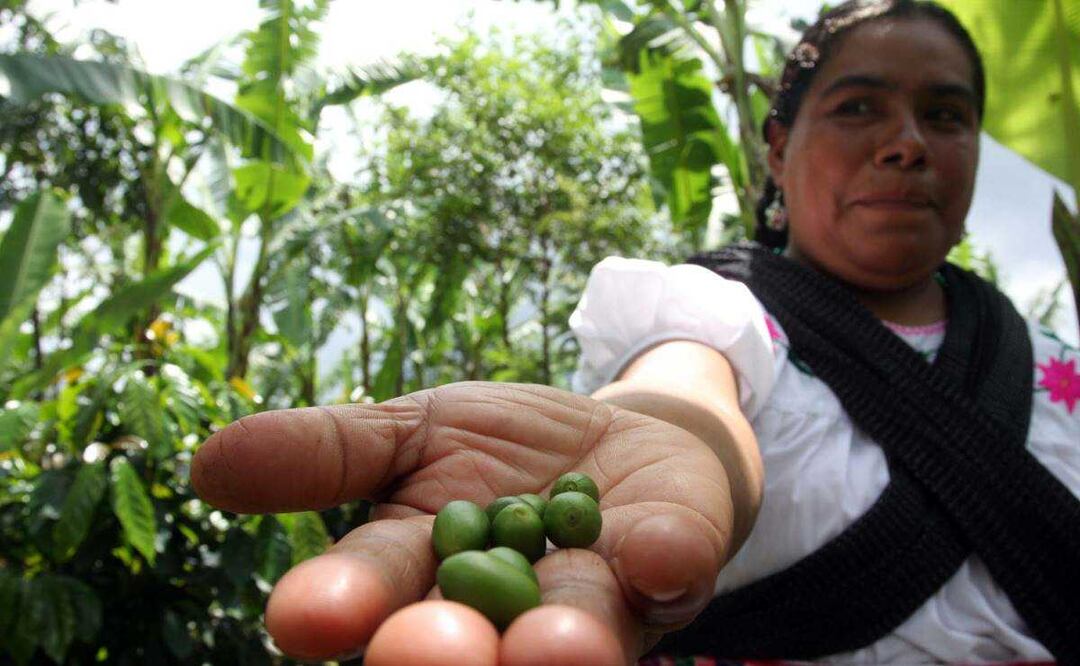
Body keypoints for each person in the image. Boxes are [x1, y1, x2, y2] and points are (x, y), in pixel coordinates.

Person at [190, 1, 1080, 664]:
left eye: (947, 115)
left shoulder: (1056, 365)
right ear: (777, 146)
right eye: (858, 108)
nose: (907, 143)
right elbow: (684, 390)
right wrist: (662, 433)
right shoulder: (724, 314)